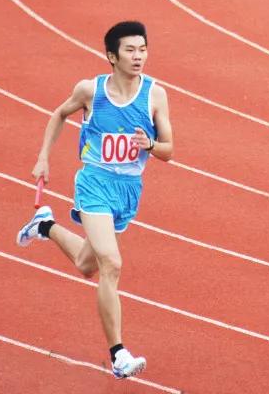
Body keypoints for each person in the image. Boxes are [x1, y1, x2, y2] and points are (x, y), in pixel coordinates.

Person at [16, 21, 175, 380]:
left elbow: (169, 150)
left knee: (88, 264)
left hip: (129, 190)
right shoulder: (91, 90)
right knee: (111, 264)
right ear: (111, 56)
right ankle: (119, 354)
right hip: (94, 183)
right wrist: (44, 156)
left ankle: (44, 224)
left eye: (143, 49)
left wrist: (150, 145)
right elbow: (59, 114)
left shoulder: (155, 95)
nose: (139, 57)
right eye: (131, 50)